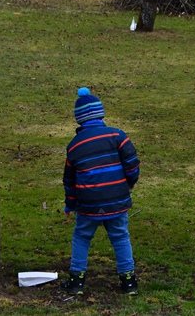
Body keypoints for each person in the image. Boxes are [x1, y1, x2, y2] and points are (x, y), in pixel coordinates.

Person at [60, 87, 141, 295]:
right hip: (117, 200)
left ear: (79, 120)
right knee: (120, 236)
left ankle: (76, 281)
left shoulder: (74, 146)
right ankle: (129, 281)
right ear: (101, 114)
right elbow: (131, 163)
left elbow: (69, 180)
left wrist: (70, 204)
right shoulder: (117, 135)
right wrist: (130, 183)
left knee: (81, 236)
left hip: (88, 204)